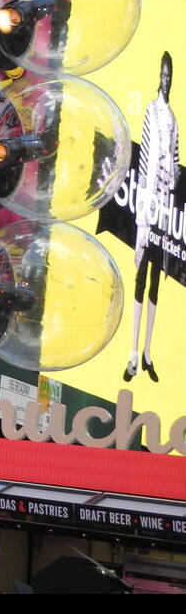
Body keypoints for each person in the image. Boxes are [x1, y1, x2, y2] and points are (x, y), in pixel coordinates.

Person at [126, 52, 178, 382]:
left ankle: (147, 352)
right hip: (148, 204)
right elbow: (145, 159)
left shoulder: (173, 117)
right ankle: (132, 352)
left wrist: (170, 178)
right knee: (141, 276)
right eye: (163, 74)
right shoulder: (151, 111)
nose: (166, 79)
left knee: (156, 279)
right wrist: (144, 210)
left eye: (169, 75)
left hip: (165, 204)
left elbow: (174, 158)